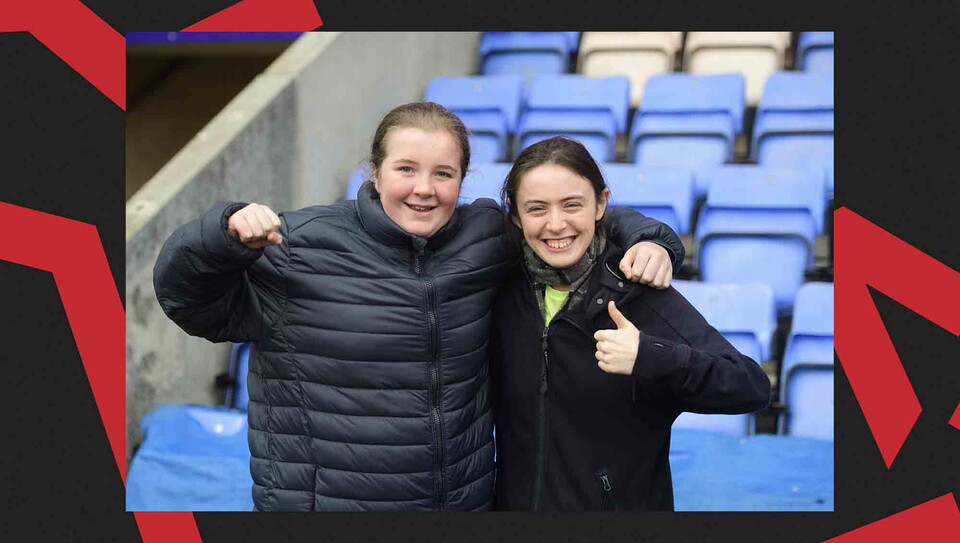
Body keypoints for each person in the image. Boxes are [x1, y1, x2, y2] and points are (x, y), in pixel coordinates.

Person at [153, 102, 685, 511]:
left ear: (463, 179)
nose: (423, 190)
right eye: (406, 169)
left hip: (459, 503)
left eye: (444, 174)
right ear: (375, 172)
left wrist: (653, 239)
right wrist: (220, 233)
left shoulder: (487, 238)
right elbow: (192, 304)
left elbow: (573, 214)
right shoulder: (294, 244)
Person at [490, 136, 772, 512]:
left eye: (572, 205)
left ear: (601, 203)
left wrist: (650, 358)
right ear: (515, 214)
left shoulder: (638, 292)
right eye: (537, 208)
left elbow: (749, 385)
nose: (555, 225)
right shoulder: (498, 286)